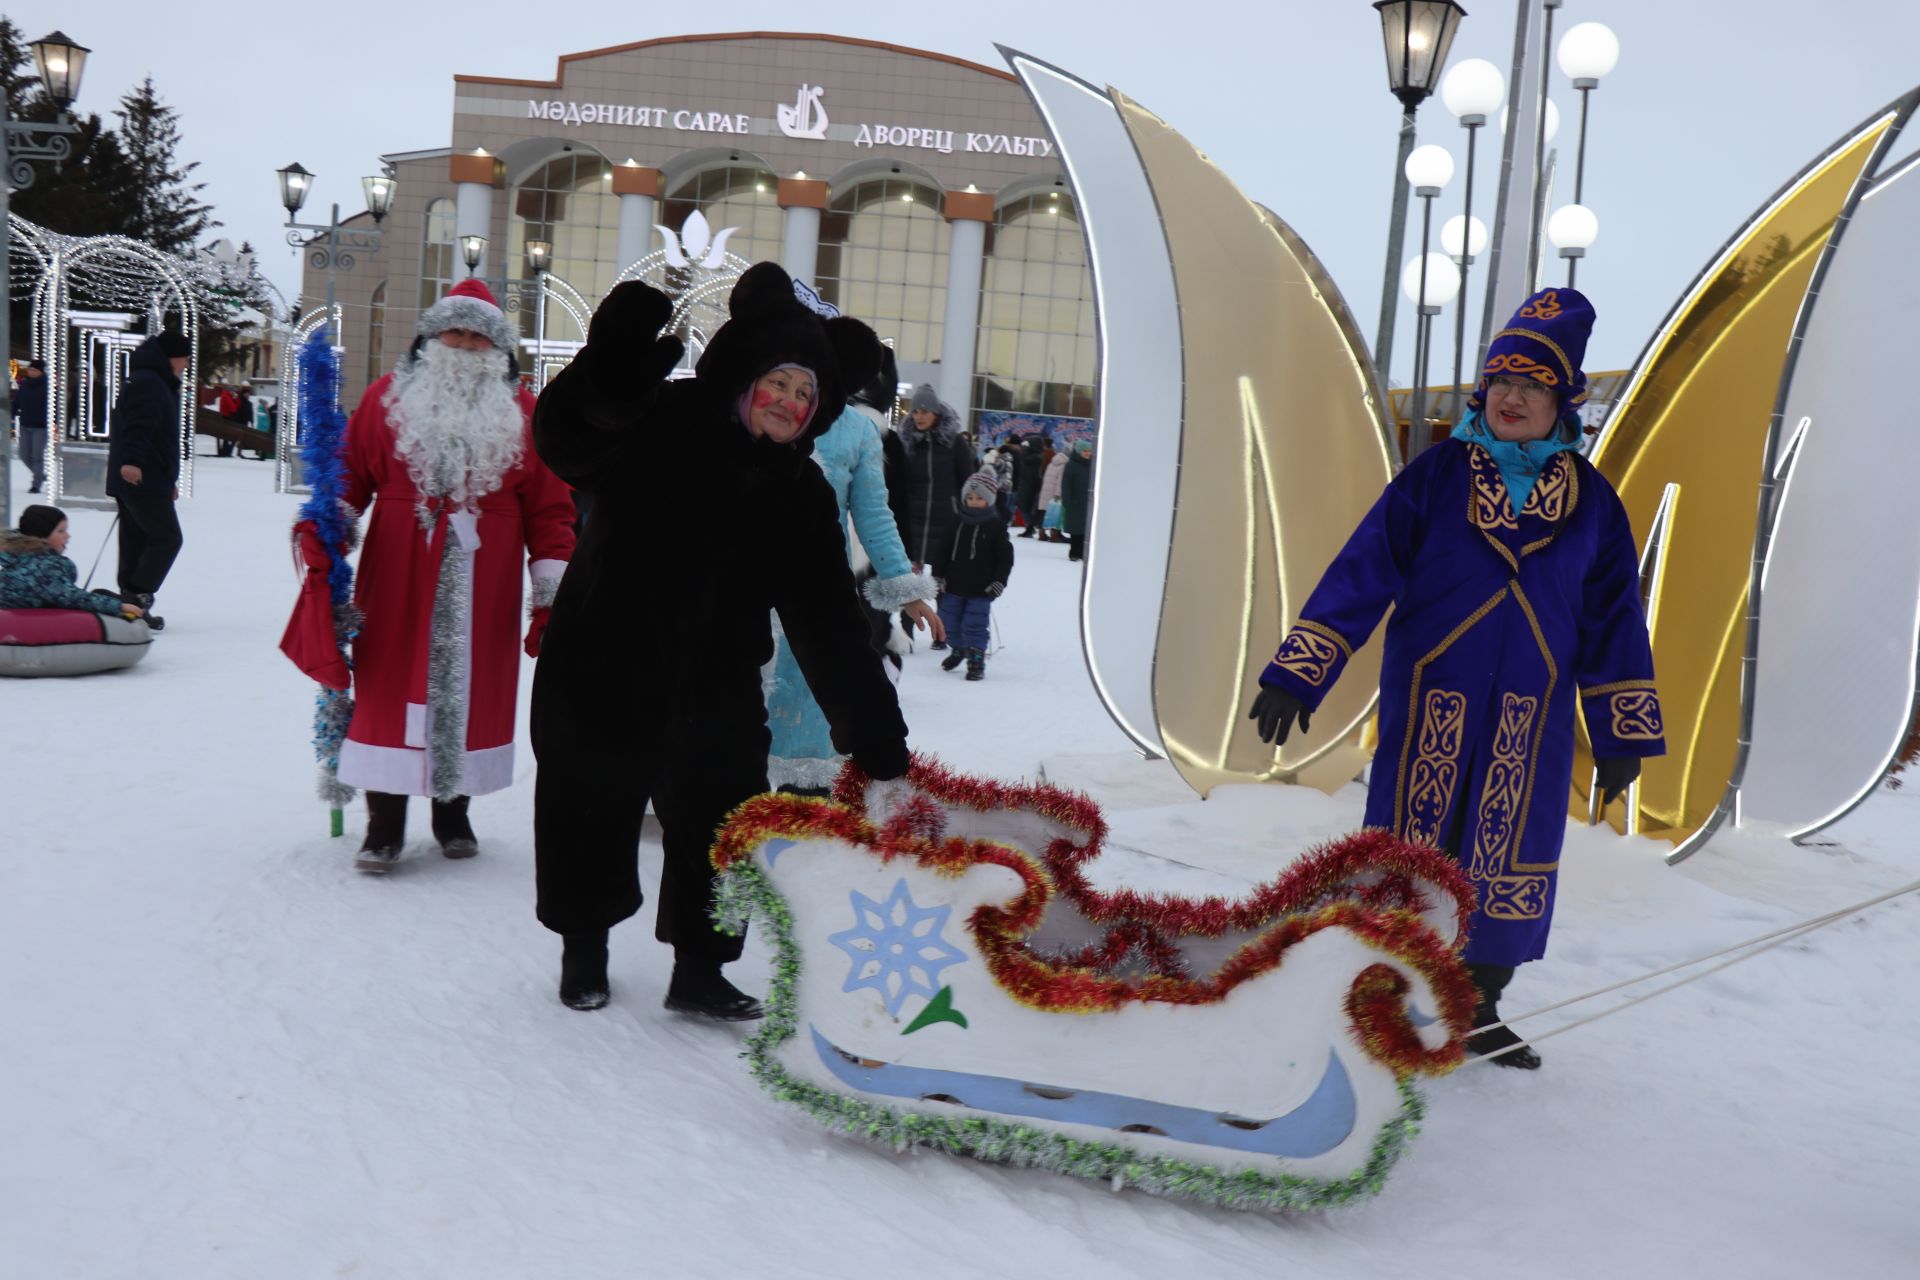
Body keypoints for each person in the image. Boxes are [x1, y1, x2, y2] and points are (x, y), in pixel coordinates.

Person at [1246, 288, 1663, 1070]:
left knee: (1507, 862)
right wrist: (1300, 674)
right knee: (1409, 851)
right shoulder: (1435, 478)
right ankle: (1380, 999)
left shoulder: (1595, 506)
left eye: (1532, 385)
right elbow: (1362, 572)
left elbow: (1615, 620)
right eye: (1501, 382)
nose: (1512, 396)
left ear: (1561, 401)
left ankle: (1478, 1011)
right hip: (1434, 701)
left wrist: (1621, 732)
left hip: (1528, 717)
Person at [530, 263, 912, 1019]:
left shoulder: (797, 492)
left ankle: (700, 971)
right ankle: (585, 951)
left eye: (806, 394)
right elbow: (568, 445)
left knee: (721, 825)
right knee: (589, 811)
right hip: (605, 665)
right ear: (742, 377)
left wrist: (877, 739)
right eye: (779, 382)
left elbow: (829, 622)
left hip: (717, 683)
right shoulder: (659, 421)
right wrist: (608, 371)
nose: (789, 403)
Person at [299, 278, 577, 873]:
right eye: (456, 330)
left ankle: (454, 813)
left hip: (487, 581)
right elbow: (349, 479)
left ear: (498, 347)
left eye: (480, 335)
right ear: (431, 336)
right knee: (387, 687)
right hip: (398, 571)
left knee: (471, 692)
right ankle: (384, 823)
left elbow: (552, 512)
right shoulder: (384, 400)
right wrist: (326, 525)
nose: (467, 342)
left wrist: (549, 593)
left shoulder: (526, 414)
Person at [764, 360, 944, 790]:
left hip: (817, 592)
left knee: (808, 711)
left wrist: (905, 588)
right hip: (742, 589)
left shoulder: (855, 431)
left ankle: (798, 813)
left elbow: (874, 516)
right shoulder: (758, 416)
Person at [105, 332, 192, 631]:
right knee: (167, 538)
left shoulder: (151, 380)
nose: (186, 364)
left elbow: (156, 435)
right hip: (141, 475)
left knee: (137, 538)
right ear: (173, 357)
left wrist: (168, 479)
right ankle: (138, 595)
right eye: (184, 358)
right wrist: (132, 462)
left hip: (147, 474)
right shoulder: (150, 383)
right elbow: (138, 427)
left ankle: (130, 603)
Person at [931, 468, 1013, 681]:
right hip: (953, 586)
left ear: (990, 500)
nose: (974, 501)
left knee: (974, 624)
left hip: (981, 589)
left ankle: (976, 659)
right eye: (970, 497)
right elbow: (942, 550)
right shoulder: (955, 522)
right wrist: (938, 575)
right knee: (948, 620)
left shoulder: (996, 526)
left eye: (979, 498)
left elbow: (1005, 558)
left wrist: (998, 582)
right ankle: (958, 649)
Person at [0, 504, 145, 618]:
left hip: (16, 613)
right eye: (61, 531)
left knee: (100, 594)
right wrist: (119, 607)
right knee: (99, 599)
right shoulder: (44, 568)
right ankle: (131, 605)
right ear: (42, 536)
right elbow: (73, 597)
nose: (67, 536)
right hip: (17, 623)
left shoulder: (20, 558)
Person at [894, 382, 974, 577]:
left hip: (947, 521)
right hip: (913, 521)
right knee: (911, 585)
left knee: (944, 583)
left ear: (936, 413)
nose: (918, 417)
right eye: (915, 412)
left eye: (924, 412)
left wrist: (966, 513)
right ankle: (909, 609)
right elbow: (900, 482)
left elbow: (968, 481)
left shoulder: (954, 442)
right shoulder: (906, 443)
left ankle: (943, 608)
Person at [14, 358, 48, 493]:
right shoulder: (25, 384)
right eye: (30, 369)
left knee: (36, 456)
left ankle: (36, 484)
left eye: (34, 370)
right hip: (25, 424)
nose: (31, 372)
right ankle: (40, 475)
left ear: (41, 372)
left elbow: (55, 405)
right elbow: (17, 401)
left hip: (41, 426)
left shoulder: (47, 385)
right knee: (23, 454)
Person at [1059, 437, 1095, 562]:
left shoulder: (1092, 465)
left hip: (1088, 502)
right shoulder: (1071, 465)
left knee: (1086, 530)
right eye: (1084, 451)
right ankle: (1074, 552)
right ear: (1079, 451)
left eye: (1089, 451)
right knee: (1076, 531)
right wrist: (1067, 500)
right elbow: (1066, 484)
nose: (1087, 453)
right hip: (1075, 502)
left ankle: (1083, 553)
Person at [1014, 435, 1045, 538]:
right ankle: (1029, 527)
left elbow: (1024, 459)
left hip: (1030, 485)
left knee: (1026, 507)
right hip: (1026, 483)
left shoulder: (1036, 456)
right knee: (1023, 506)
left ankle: (1030, 527)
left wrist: (1025, 449)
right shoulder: (1035, 455)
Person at [1036, 444, 1066, 543]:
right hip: (1054, 494)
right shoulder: (1064, 465)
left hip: (1045, 492)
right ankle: (1054, 536)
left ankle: (1041, 533)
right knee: (1055, 514)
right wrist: (1058, 494)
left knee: (1043, 513)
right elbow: (1060, 482)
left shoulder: (1051, 463)